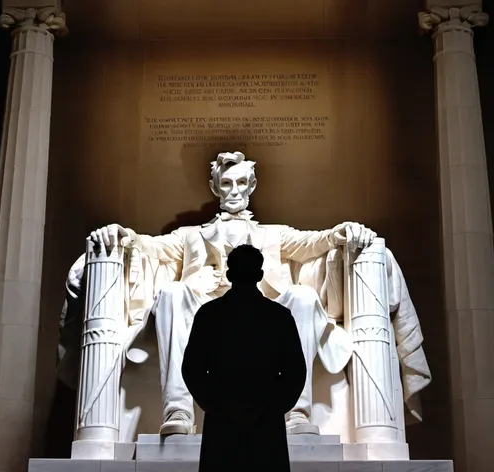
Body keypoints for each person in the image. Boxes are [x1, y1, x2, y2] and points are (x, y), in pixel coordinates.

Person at [84, 151, 376, 436]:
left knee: (303, 297)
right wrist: (126, 236)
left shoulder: (274, 234)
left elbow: (312, 242)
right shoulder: (190, 235)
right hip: (208, 311)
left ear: (251, 186)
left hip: (264, 310)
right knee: (172, 292)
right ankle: (178, 410)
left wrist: (342, 232)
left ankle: (296, 412)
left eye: (240, 183)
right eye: (226, 183)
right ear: (215, 187)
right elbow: (152, 246)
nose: (233, 190)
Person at [182, 244, 306, 472]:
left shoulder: (210, 314)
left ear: (228, 274)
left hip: (223, 419)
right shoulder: (279, 316)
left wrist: (217, 405)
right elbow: (295, 372)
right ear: (260, 274)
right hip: (265, 422)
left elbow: (192, 369)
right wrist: (270, 408)